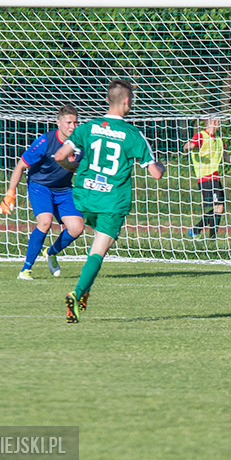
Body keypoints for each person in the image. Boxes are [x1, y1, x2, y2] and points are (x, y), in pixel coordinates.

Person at [54, 79, 165, 323]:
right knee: (98, 251)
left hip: (84, 196)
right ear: (128, 101)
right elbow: (155, 173)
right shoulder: (133, 134)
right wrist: (161, 165)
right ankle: (77, 292)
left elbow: (60, 155)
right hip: (112, 201)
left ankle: (84, 291)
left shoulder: (87, 127)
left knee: (96, 240)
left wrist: (73, 168)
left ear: (107, 100)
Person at [0, 104, 84, 280]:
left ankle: (51, 252)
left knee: (77, 228)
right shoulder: (45, 141)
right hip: (40, 186)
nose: (72, 127)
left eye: (75, 123)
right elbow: (21, 166)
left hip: (64, 189)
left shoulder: (80, 144)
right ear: (58, 123)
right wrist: (10, 192)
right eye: (68, 122)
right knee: (45, 222)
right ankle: (26, 269)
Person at [183, 117, 231, 239]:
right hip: (206, 179)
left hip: (215, 178)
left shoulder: (219, 140)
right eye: (218, 120)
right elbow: (189, 146)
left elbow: (226, 157)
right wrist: (190, 147)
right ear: (213, 122)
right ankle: (202, 234)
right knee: (218, 208)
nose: (219, 123)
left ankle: (203, 234)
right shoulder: (201, 136)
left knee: (219, 208)